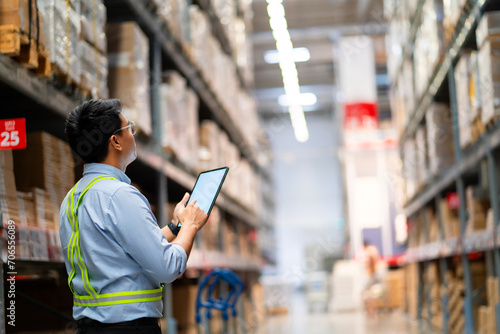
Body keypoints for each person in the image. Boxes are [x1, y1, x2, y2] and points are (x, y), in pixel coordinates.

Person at [60, 99, 208, 333]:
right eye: (130, 128)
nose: (133, 134)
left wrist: (175, 226)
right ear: (115, 141)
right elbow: (168, 268)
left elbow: (122, 251)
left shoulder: (73, 197)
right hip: (128, 328)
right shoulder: (120, 194)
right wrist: (191, 226)